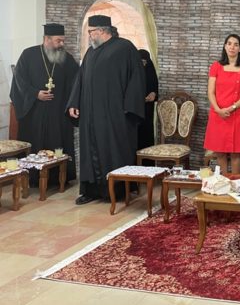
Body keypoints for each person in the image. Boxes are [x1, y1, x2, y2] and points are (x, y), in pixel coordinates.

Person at [67, 15, 146, 205]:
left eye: (91, 32)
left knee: (114, 151)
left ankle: (118, 190)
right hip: (90, 114)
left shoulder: (124, 48)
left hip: (115, 114)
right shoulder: (91, 52)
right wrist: (74, 103)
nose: (89, 36)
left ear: (102, 31)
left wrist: (129, 108)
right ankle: (91, 191)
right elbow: (81, 78)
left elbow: (137, 78)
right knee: (90, 151)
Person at [9, 23, 79, 186]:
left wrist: (73, 103)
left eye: (62, 40)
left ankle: (58, 179)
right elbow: (19, 81)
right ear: (47, 39)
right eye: (58, 41)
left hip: (58, 112)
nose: (61, 44)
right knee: (35, 143)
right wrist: (35, 94)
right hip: (34, 111)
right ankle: (32, 178)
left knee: (57, 144)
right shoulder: (28, 55)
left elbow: (77, 81)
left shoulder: (66, 58)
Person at [203, 34, 240, 174]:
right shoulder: (216, 66)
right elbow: (210, 92)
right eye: (229, 43)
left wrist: (231, 108)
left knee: (236, 153)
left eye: (236, 44)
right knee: (220, 152)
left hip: (237, 114)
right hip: (218, 114)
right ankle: (223, 181)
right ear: (225, 46)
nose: (232, 47)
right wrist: (218, 109)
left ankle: (235, 183)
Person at [137, 49, 159, 150]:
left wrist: (153, 94)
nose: (143, 64)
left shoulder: (150, 70)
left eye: (145, 62)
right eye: (141, 62)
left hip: (147, 109)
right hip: (135, 109)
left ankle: (147, 157)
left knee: (147, 132)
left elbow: (155, 87)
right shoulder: (132, 72)